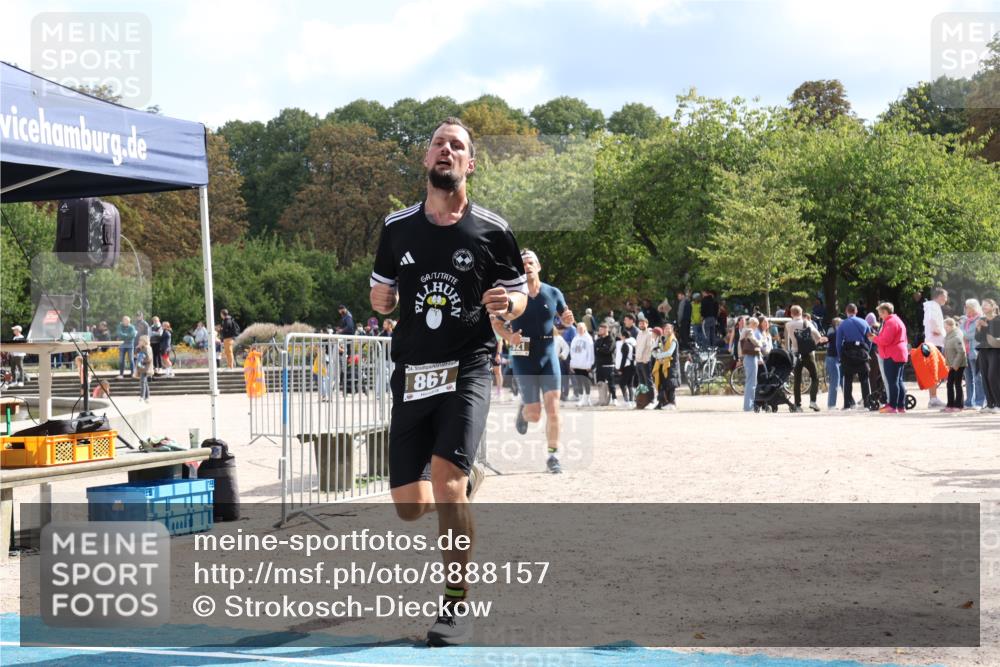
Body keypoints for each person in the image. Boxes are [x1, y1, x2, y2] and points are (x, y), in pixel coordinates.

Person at [368, 117, 528, 646]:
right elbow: (381, 291)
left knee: (449, 484)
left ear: (470, 164)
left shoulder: (492, 230)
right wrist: (380, 301)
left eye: (457, 146)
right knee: (410, 506)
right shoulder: (396, 228)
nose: (446, 150)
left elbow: (517, 295)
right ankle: (463, 479)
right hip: (411, 374)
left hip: (469, 368)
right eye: (438, 143)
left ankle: (454, 605)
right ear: (426, 158)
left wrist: (511, 303)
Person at [493, 249, 574, 474]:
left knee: (554, 408)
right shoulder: (513, 296)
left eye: (531, 262)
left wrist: (567, 321)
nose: (527, 266)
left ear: (538, 267)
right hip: (522, 353)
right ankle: (524, 410)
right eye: (523, 263)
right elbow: (496, 323)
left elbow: (565, 317)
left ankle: (553, 456)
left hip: (548, 351)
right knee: (535, 414)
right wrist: (509, 337)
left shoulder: (553, 292)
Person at [784, 305, 827, 412]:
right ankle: (813, 401)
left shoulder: (788, 324)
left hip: (796, 354)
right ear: (801, 312)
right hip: (808, 353)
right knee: (815, 377)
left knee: (797, 379)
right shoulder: (806, 322)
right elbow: (817, 335)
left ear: (791, 313)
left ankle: (798, 405)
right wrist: (813, 344)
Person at [869, 302, 908, 414]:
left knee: (892, 381)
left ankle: (892, 406)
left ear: (885, 312)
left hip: (892, 354)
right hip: (899, 353)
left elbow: (886, 340)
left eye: (880, 313)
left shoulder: (890, 322)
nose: (879, 316)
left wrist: (874, 339)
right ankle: (901, 406)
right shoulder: (897, 320)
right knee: (898, 381)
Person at [837, 304, 871, 410]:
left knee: (848, 379)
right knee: (864, 379)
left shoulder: (842, 324)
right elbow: (869, 338)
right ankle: (867, 403)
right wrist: (867, 351)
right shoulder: (864, 322)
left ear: (846, 311)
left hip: (848, 352)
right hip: (861, 351)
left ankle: (847, 405)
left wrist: (840, 356)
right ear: (856, 311)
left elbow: (838, 342)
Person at [923, 287, 948, 408]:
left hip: (933, 342)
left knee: (934, 371)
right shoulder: (933, 306)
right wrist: (938, 330)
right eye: (945, 296)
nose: (946, 299)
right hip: (935, 342)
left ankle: (933, 398)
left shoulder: (931, 306)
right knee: (933, 371)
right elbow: (932, 320)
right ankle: (933, 399)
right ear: (938, 296)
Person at [975, 298, 1000, 413]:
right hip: (983, 350)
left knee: (992, 377)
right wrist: (979, 328)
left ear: (993, 306)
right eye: (982, 305)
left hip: (995, 350)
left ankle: (998, 404)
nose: (983, 307)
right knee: (984, 377)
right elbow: (978, 338)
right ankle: (990, 404)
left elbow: (996, 335)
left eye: (986, 305)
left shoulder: (998, 319)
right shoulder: (981, 319)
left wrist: (986, 325)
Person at [960, 299, 985, 410]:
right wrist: (963, 334)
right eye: (965, 307)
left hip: (975, 352)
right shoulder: (965, 320)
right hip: (965, 352)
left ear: (973, 308)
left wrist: (963, 334)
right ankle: (969, 401)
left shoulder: (980, 319)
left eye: (968, 307)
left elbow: (973, 334)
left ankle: (979, 402)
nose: (966, 309)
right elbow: (960, 333)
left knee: (978, 377)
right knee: (968, 378)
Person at [651, 324, 679, 410]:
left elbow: (670, 353)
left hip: (671, 365)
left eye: (669, 329)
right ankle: (661, 402)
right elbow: (653, 350)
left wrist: (659, 356)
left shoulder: (673, 340)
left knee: (670, 384)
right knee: (660, 384)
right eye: (665, 329)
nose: (667, 330)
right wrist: (657, 356)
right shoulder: (660, 339)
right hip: (660, 364)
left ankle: (672, 403)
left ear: (672, 330)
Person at [942, 318, 967, 413]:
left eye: (946, 327)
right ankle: (950, 404)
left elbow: (961, 352)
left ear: (951, 326)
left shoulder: (956, 336)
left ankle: (959, 405)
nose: (945, 329)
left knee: (957, 384)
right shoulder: (949, 336)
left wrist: (955, 365)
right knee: (949, 384)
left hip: (959, 365)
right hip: (952, 364)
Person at [740, 317, 763, 412]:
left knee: (750, 382)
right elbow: (755, 342)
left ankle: (748, 405)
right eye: (756, 325)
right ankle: (749, 406)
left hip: (747, 356)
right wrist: (761, 342)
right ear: (753, 324)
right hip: (751, 357)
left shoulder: (744, 330)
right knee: (752, 382)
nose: (756, 327)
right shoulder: (749, 330)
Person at [569, 323, 594, 406]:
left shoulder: (588, 338)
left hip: (585, 364)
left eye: (581, 328)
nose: (579, 329)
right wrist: (571, 363)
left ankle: (587, 398)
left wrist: (590, 364)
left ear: (585, 328)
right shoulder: (575, 338)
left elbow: (591, 352)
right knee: (579, 381)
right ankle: (581, 398)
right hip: (576, 364)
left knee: (586, 381)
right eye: (578, 328)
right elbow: (572, 351)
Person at [593, 322, 616, 404]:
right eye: (599, 329)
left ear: (607, 329)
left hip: (608, 364)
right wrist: (601, 348)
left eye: (602, 329)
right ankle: (602, 400)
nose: (599, 330)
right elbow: (596, 351)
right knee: (600, 383)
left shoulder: (611, 339)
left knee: (611, 383)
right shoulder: (598, 340)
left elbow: (608, 350)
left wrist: (600, 349)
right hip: (599, 364)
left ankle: (614, 399)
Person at [825, 317, 842, 409]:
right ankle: (831, 405)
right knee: (835, 381)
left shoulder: (833, 334)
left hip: (833, 358)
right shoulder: (836, 334)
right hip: (833, 358)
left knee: (839, 381)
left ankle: (850, 402)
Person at [617, 329, 637, 408]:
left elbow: (624, 358)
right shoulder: (633, 344)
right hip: (633, 365)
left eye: (621, 336)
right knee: (630, 384)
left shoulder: (625, 344)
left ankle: (626, 400)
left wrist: (620, 368)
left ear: (624, 336)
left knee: (622, 383)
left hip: (627, 366)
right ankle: (632, 400)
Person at [134, 335, 153, 402]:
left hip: (145, 368)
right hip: (142, 367)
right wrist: (137, 348)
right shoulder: (142, 347)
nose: (139, 341)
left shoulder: (147, 348)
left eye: (140, 340)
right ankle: (147, 397)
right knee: (145, 382)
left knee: (142, 382)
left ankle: (142, 396)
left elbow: (149, 358)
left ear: (144, 341)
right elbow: (135, 355)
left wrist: (141, 360)